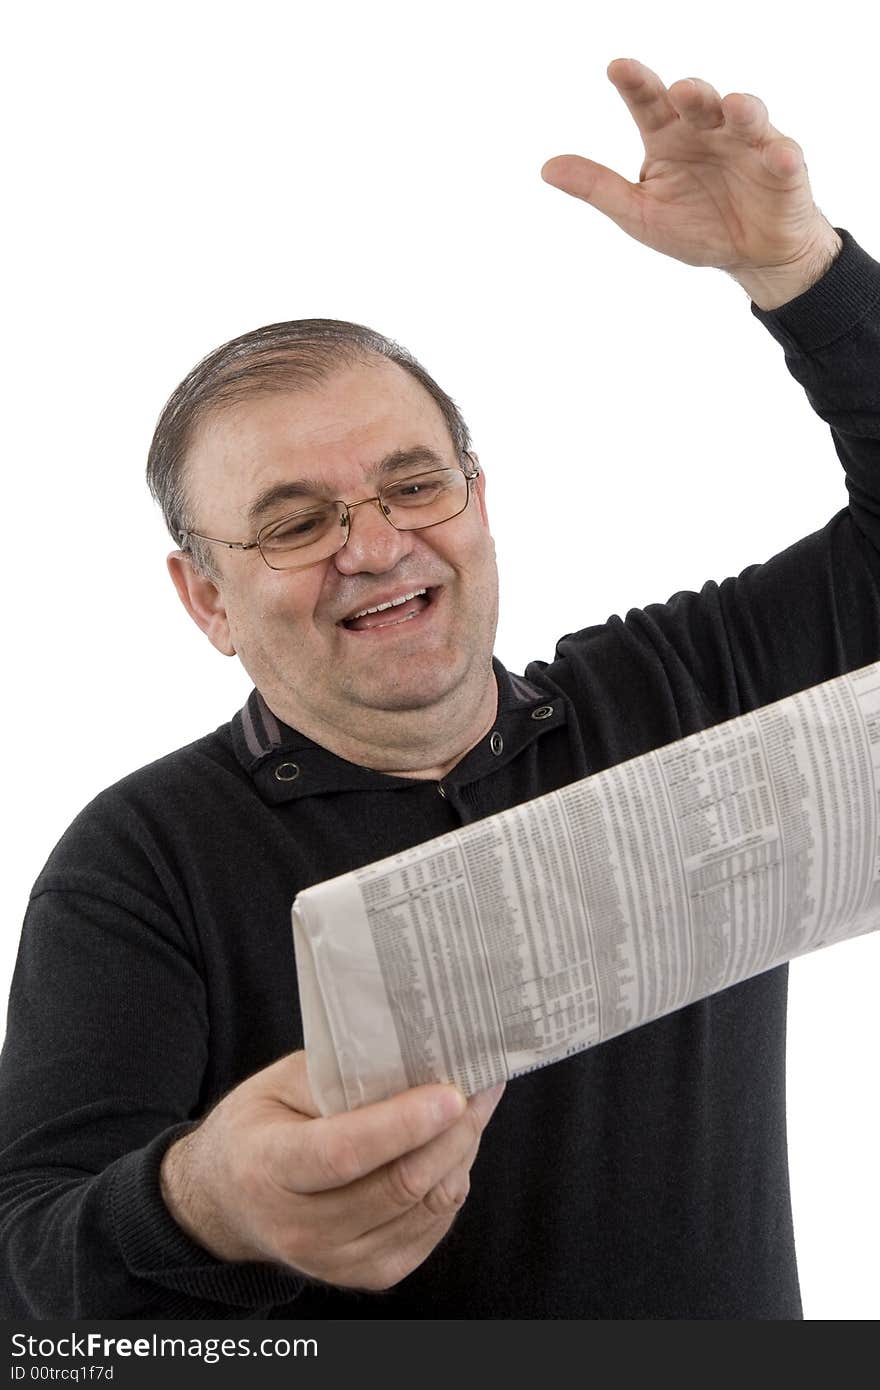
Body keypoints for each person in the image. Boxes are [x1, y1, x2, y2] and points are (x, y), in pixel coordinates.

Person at [1, 56, 877, 1320]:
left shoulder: (678, 691)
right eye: (296, 522)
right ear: (206, 601)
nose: (375, 544)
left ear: (477, 500)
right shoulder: (139, 861)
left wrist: (800, 271)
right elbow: (30, 1272)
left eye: (414, 486)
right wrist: (208, 1200)